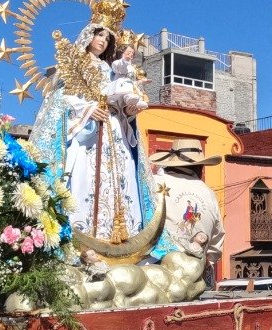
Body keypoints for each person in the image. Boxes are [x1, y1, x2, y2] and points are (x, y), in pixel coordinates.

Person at [32, 17, 156, 245]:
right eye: (100, 35)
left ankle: (123, 236)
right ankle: (83, 235)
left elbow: (120, 98)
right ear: (89, 35)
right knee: (84, 177)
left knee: (122, 176)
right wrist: (88, 110)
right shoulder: (75, 64)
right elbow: (61, 99)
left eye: (108, 38)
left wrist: (128, 111)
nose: (103, 41)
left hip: (115, 130)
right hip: (88, 132)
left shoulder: (112, 70)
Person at [151, 138, 224, 287]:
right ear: (200, 167)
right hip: (197, 279)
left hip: (159, 278)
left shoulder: (154, 183)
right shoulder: (209, 193)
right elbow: (216, 243)